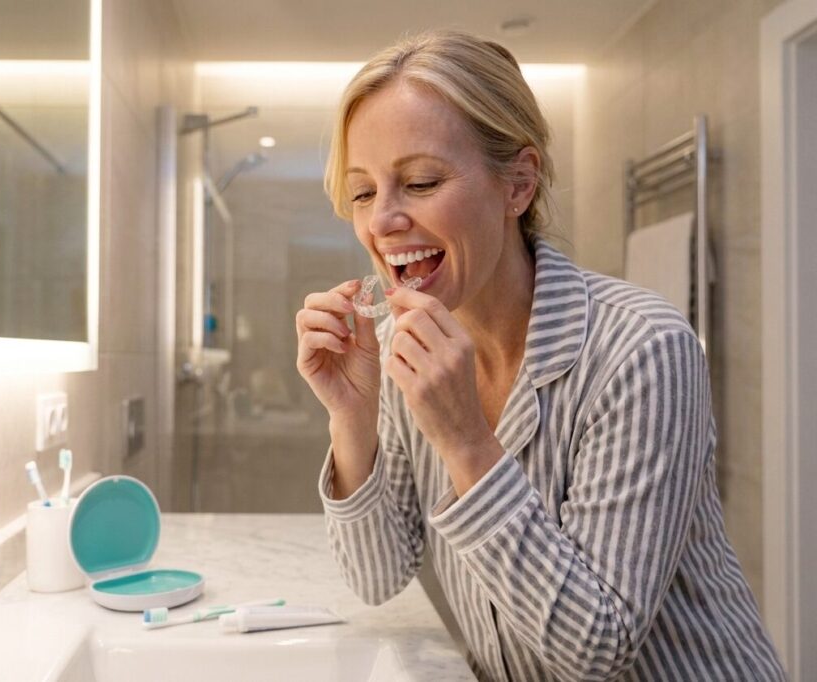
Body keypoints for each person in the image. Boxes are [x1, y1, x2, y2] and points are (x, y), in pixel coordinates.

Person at [294, 29, 785, 681]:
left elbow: (597, 649)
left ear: (518, 185)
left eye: (419, 181)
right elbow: (380, 575)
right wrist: (352, 422)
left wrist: (467, 439)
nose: (382, 220)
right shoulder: (402, 348)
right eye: (361, 192)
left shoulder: (642, 349)